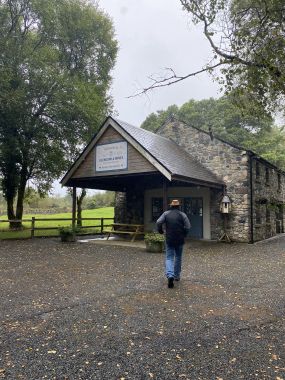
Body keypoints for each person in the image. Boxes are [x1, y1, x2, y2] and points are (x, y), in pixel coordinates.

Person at [156, 199, 191, 288]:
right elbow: (188, 226)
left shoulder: (166, 214)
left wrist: (160, 230)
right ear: (179, 206)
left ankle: (170, 275)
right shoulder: (183, 215)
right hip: (180, 239)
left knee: (169, 258)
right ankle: (176, 276)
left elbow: (158, 222)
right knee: (178, 257)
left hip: (169, 238)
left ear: (171, 206)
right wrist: (184, 234)